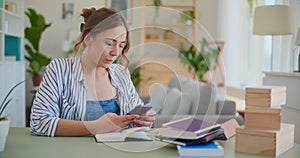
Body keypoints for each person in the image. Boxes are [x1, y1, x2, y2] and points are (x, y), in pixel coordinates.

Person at [30, 7, 156, 137]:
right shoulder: (59, 69)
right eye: (109, 43)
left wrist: (145, 119)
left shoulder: (121, 73)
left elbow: (135, 119)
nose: (116, 53)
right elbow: (39, 123)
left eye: (121, 45)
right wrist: (96, 127)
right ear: (88, 38)